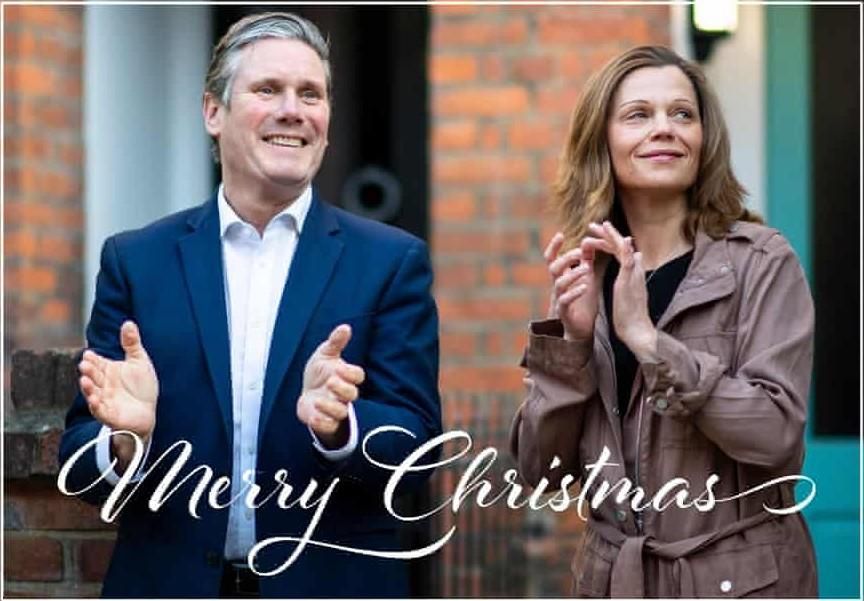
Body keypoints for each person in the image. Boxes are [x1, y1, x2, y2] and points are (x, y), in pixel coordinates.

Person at [59, 12, 441, 598]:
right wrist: (123, 442)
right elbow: (77, 463)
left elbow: (418, 455)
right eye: (269, 90)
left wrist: (342, 428)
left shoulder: (389, 263)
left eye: (310, 94)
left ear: (327, 122)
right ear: (213, 112)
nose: (293, 109)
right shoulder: (137, 261)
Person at [510, 46, 817, 597]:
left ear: (704, 138)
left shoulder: (761, 261)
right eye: (637, 115)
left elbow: (777, 435)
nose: (665, 129)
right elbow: (543, 472)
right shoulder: (587, 271)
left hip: (741, 582)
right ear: (601, 140)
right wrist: (573, 346)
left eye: (682, 114)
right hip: (612, 581)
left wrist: (650, 342)